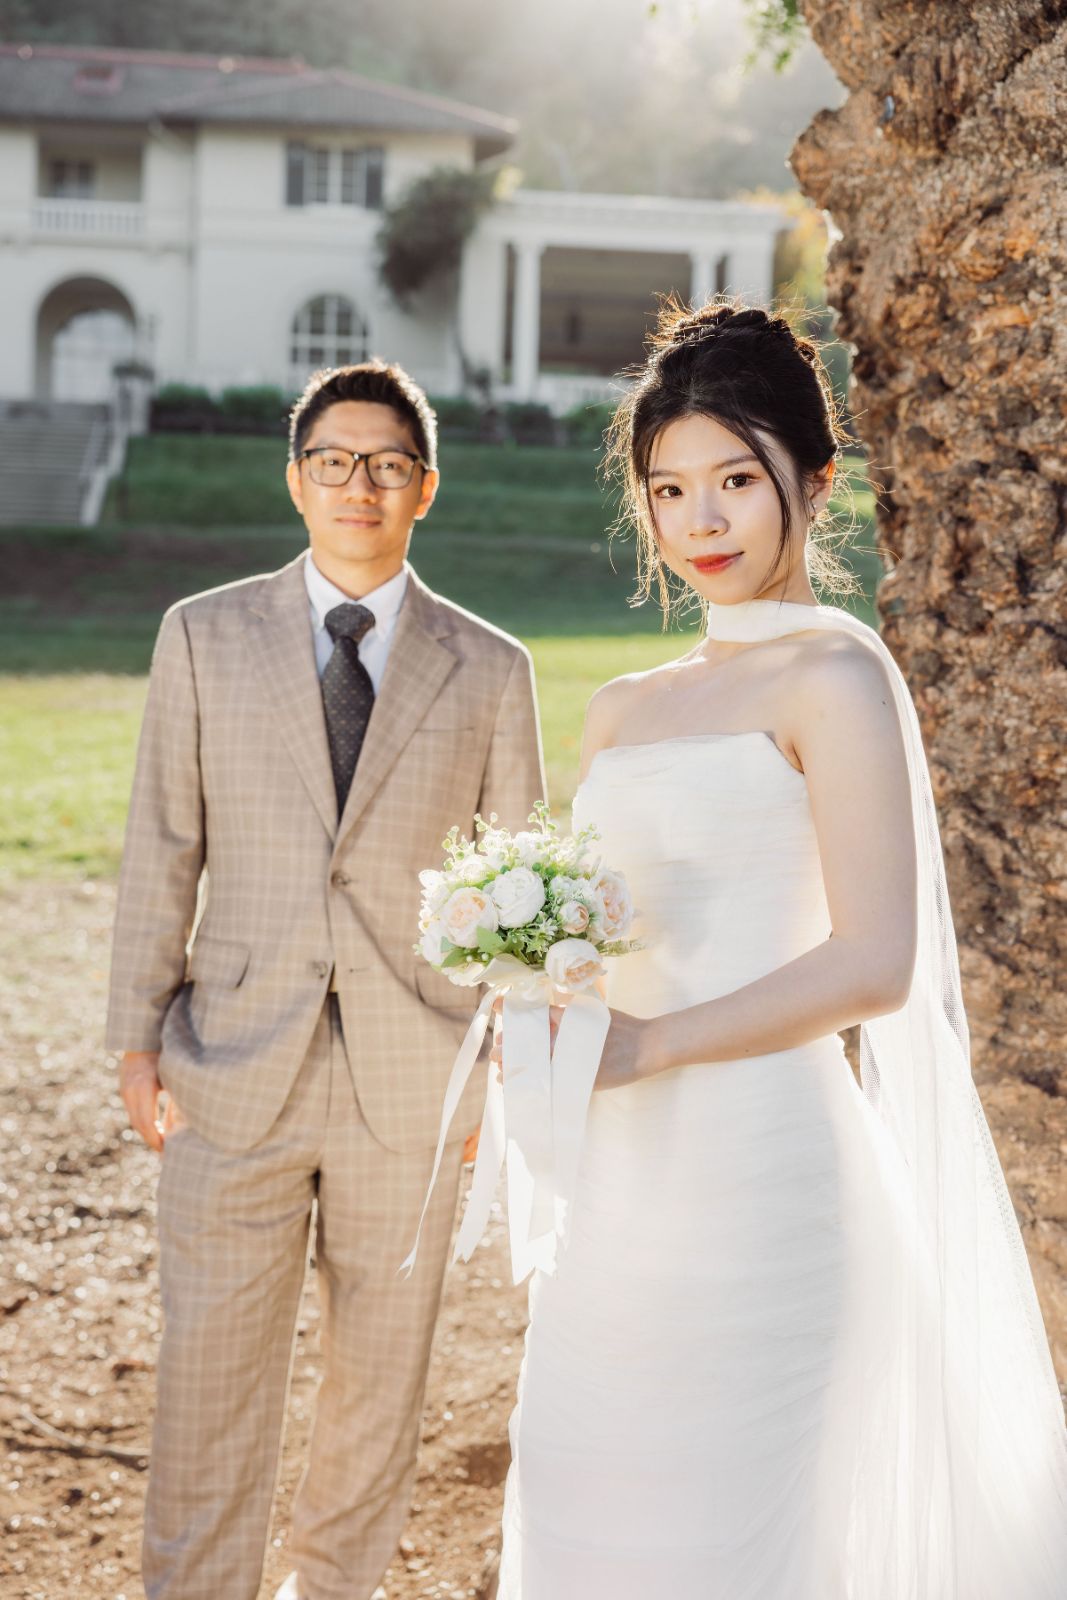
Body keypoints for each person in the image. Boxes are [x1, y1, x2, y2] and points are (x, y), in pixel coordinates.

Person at [492, 299, 1067, 1597]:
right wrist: (536, 994)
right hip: (617, 1185)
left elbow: (874, 964)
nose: (700, 521)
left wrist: (648, 1046)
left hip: (764, 1177)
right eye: (669, 488)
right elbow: (597, 924)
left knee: (737, 1528)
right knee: (588, 1492)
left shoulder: (832, 678)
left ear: (811, 480)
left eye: (734, 482)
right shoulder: (622, 708)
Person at [106, 358, 546, 1600]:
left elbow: (511, 883)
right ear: (295, 478)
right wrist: (135, 1035)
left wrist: (495, 1078)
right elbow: (162, 844)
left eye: (388, 464)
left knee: (378, 1389)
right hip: (227, 1067)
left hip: (416, 1088)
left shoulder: (490, 666)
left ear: (427, 487)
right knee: (208, 1380)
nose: (361, 483)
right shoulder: (201, 635)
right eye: (335, 460)